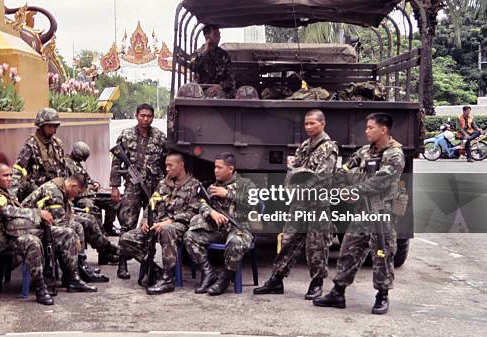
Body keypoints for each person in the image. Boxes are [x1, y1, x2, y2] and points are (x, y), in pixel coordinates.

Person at [314, 113, 404, 315]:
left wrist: (354, 190)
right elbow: (342, 171)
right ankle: (338, 293)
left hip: (381, 215)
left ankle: (382, 296)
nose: (366, 131)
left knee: (382, 255)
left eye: (370, 127)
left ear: (383, 130)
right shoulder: (364, 152)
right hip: (361, 213)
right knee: (348, 252)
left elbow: (380, 181)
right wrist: (343, 189)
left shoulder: (394, 155)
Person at [254, 110, 338, 299]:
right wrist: (291, 185)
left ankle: (317, 283)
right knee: (288, 241)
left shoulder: (328, 148)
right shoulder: (304, 146)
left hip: (317, 205)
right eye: (306, 124)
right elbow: (291, 171)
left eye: (313, 124)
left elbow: (321, 177)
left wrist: (300, 178)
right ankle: (276, 280)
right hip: (299, 204)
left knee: (316, 245)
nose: (308, 127)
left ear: (323, 124)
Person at [0, 163, 86, 305]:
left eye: (10, 175)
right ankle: (41, 288)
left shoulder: (6, 192)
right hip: (3, 238)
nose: (10, 178)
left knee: (67, 233)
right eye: (5, 176)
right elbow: (7, 211)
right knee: (32, 242)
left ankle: (72, 279)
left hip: (17, 231)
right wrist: (37, 213)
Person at [118, 153, 201, 295]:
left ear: (181, 166)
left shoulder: (194, 185)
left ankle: (168, 280)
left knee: (167, 230)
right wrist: (145, 220)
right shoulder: (163, 184)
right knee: (125, 239)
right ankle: (155, 270)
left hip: (179, 226)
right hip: (156, 225)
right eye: (166, 165)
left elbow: (193, 212)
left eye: (170, 165)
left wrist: (171, 220)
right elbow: (152, 204)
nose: (167, 168)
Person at [184, 152, 255, 295]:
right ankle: (208, 272)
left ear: (230, 169)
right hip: (218, 230)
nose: (215, 170)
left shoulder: (246, 184)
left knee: (235, 242)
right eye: (215, 167)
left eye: (219, 167)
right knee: (190, 236)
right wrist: (211, 212)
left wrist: (227, 194)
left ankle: (225, 279)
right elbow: (202, 203)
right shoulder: (213, 186)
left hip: (239, 229)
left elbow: (253, 206)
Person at [21, 173, 108, 289]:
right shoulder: (55, 192)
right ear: (73, 185)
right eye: (78, 192)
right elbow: (60, 223)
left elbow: (65, 216)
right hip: (30, 225)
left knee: (78, 227)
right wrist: (75, 238)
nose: (77, 196)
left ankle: (79, 269)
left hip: (42, 222)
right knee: (68, 234)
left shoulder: (61, 187)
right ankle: (72, 279)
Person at [110, 103, 167, 279]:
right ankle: (122, 263)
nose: (145, 119)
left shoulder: (159, 137)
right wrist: (114, 186)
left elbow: (166, 162)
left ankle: (148, 260)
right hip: (132, 186)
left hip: (154, 186)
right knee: (127, 224)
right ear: (136, 115)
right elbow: (116, 161)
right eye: (142, 115)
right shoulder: (126, 135)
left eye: (149, 116)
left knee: (151, 223)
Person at [65, 141, 121, 238]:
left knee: (113, 201)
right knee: (90, 206)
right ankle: (99, 233)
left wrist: (95, 183)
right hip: (80, 196)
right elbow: (70, 185)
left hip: (91, 193)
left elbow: (87, 179)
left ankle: (109, 226)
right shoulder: (66, 164)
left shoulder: (77, 164)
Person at [11, 108, 66, 200]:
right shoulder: (32, 144)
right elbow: (18, 169)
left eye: (55, 126)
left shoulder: (57, 143)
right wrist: (12, 195)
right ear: (41, 126)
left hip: (56, 189)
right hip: (37, 192)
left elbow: (63, 168)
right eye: (50, 126)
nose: (53, 129)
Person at [189, 25, 236, 98]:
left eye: (219, 35)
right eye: (216, 34)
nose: (219, 37)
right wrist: (204, 53)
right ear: (207, 37)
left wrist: (219, 87)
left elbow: (230, 79)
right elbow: (193, 67)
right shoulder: (197, 54)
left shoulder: (224, 55)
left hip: (221, 93)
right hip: (200, 92)